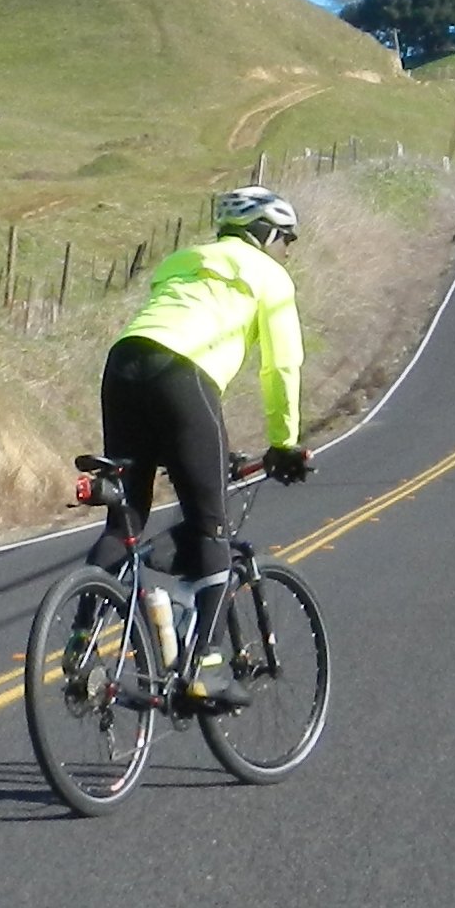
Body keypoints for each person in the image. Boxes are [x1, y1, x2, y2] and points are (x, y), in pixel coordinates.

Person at [88, 186, 312, 608]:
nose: (288, 249)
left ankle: (81, 639)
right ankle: (205, 647)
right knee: (212, 530)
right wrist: (284, 443)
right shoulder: (270, 276)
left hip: (123, 363)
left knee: (124, 522)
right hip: (182, 372)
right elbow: (281, 365)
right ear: (265, 234)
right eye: (287, 238)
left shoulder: (182, 261)